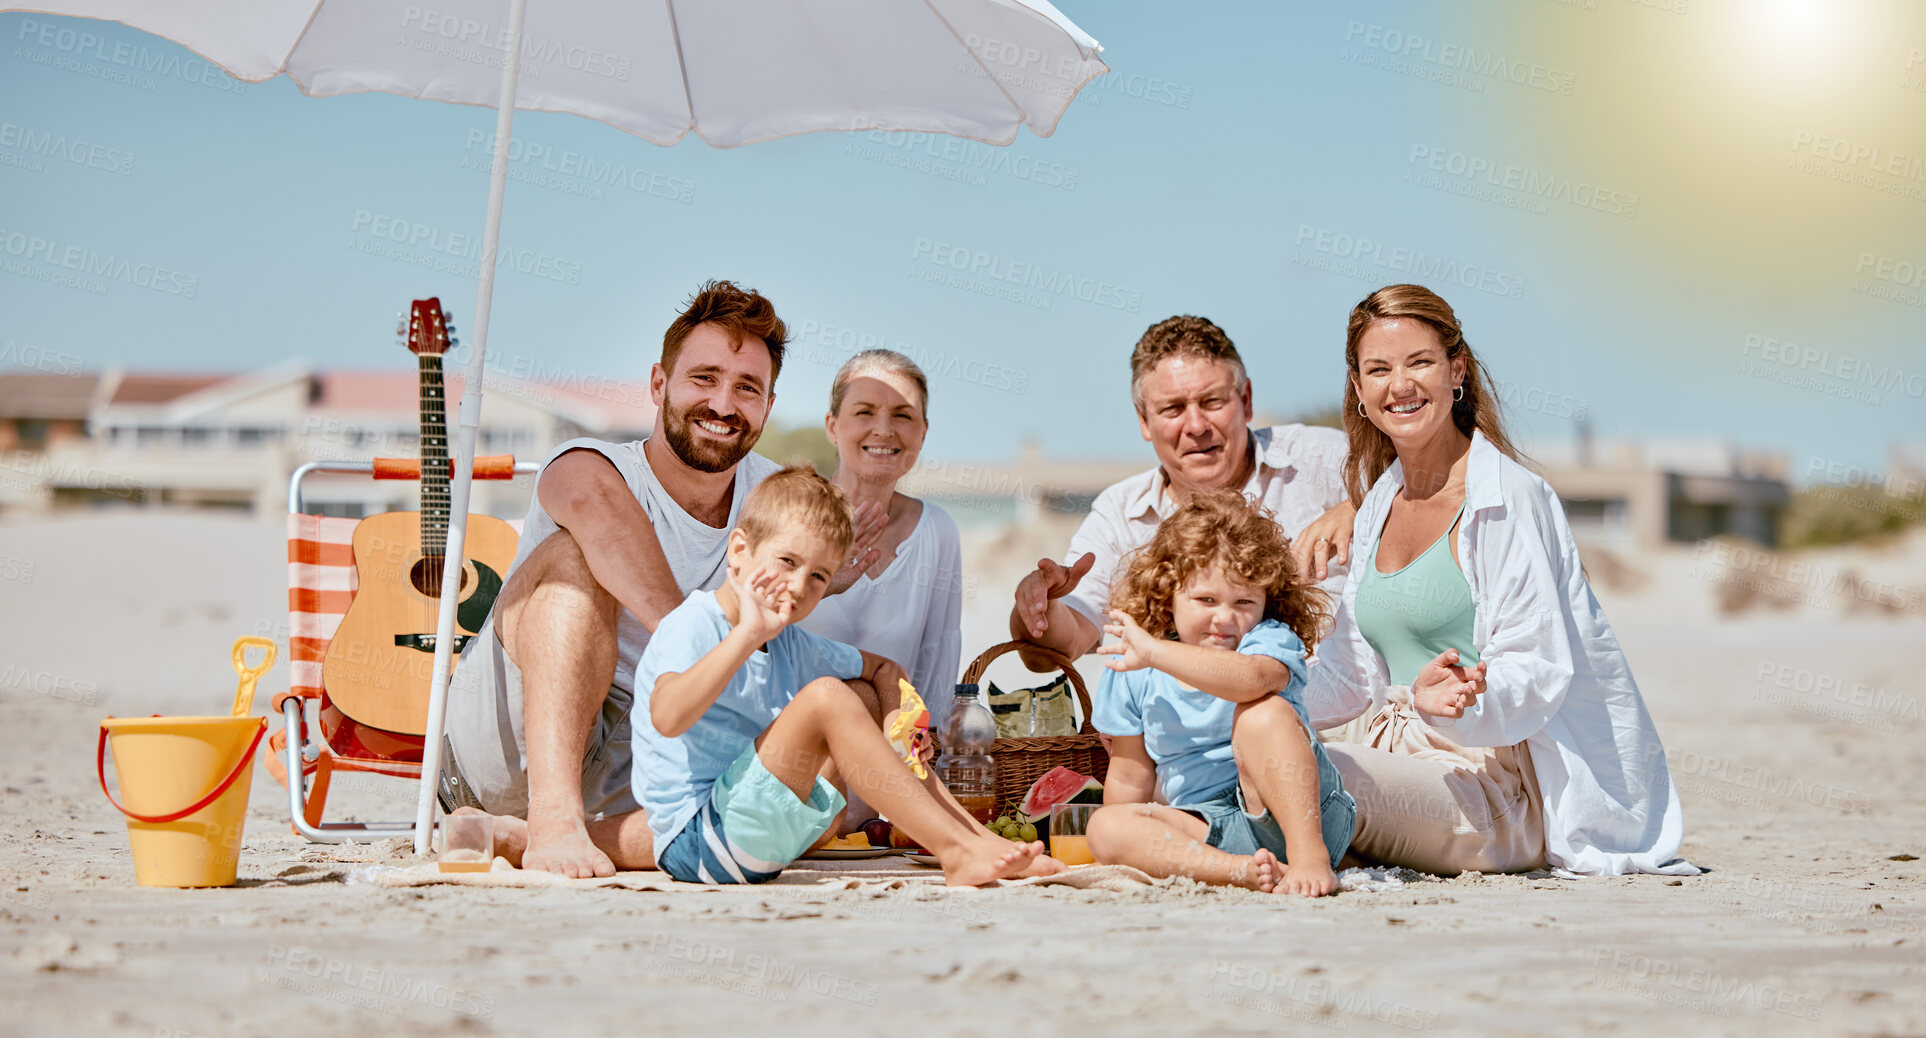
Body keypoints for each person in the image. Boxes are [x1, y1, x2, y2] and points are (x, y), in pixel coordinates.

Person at [439, 280, 880, 878]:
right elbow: (590, 502)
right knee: (573, 563)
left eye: (746, 388)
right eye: (704, 378)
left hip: (656, 765)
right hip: (519, 750)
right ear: (658, 384)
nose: (724, 404)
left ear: (767, 407)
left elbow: (839, 535)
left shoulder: (778, 498)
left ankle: (533, 842)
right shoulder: (588, 466)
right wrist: (699, 644)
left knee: (848, 704)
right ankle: (550, 821)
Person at [1303, 283, 1693, 877]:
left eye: (1420, 362)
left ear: (1456, 370)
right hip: (1398, 760)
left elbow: (1537, 669)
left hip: (1496, 786)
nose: (1398, 385)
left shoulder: (1508, 497)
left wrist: (1453, 705)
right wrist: (1249, 691)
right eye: (1377, 369)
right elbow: (1350, 675)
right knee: (1259, 753)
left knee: (1303, 779)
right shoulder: (1380, 502)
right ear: (1358, 389)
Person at [633, 466, 1054, 886]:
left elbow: (884, 668)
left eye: (818, 576)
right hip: (701, 841)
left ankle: (978, 840)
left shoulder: (791, 642)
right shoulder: (694, 622)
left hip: (759, 831)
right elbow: (667, 718)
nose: (799, 585)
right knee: (826, 698)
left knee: (859, 694)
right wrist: (745, 635)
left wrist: (896, 721)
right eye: (787, 561)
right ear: (739, 551)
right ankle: (955, 852)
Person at [1009, 315, 1357, 673]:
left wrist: (1359, 505)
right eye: (1173, 409)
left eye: (1212, 402)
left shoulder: (1326, 460)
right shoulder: (1120, 513)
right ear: (1144, 420)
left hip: (1336, 726)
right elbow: (1062, 644)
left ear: (1246, 400)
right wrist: (1040, 607)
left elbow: (1415, 493)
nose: (1196, 426)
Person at [1083, 490, 1355, 896]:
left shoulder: (1268, 639)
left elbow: (1252, 680)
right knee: (1106, 827)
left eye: (1245, 600)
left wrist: (1156, 653)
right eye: (1205, 599)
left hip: (1303, 817)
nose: (1225, 617)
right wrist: (1128, 838)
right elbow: (1129, 775)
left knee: (1261, 714)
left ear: (1268, 600)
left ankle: (1309, 861)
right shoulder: (1134, 670)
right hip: (1209, 828)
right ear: (1167, 592)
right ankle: (1241, 870)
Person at [798, 350, 964, 727]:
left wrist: (925, 770)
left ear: (922, 432)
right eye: (865, 412)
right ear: (832, 426)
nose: (885, 430)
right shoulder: (788, 516)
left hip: (894, 765)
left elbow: (936, 667)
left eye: (903, 415)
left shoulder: (937, 530)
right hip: (790, 760)